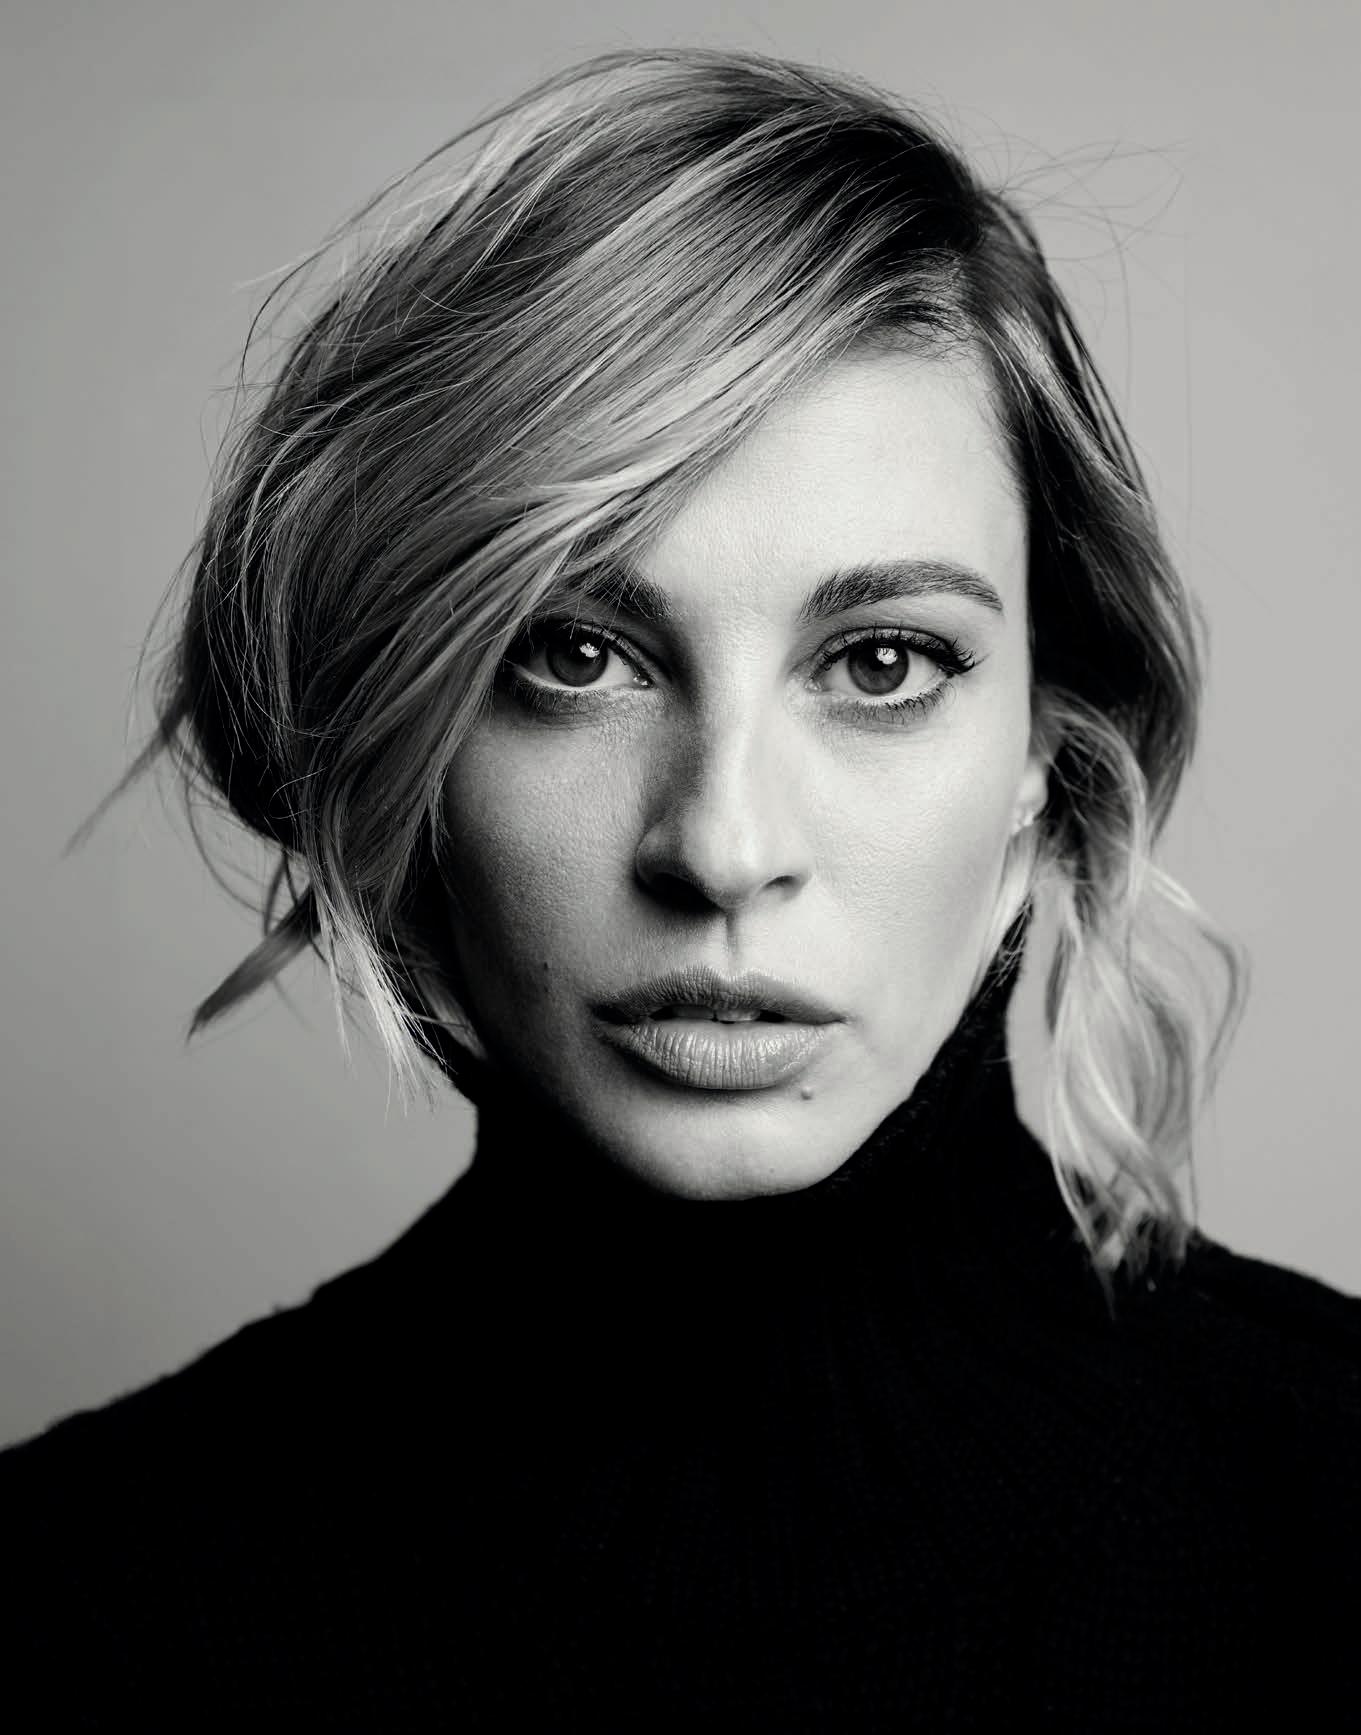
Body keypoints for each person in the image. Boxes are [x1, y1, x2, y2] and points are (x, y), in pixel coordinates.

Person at [3, 44, 1357, 1728]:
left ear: (1040, 752)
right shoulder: (83, 1608)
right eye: (572, 655)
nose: (720, 849)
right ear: (404, 735)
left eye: (880, 663)